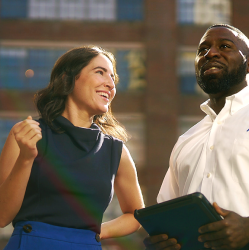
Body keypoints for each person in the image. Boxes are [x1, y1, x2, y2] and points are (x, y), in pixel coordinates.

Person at [143, 24, 249, 250]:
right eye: (202, 50)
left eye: (225, 46)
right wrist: (163, 239)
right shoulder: (187, 139)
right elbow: (168, 208)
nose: (211, 53)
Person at [0, 45, 144, 249]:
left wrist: (94, 231)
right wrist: (26, 158)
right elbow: (2, 216)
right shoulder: (27, 134)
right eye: (100, 72)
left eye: (113, 77)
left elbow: (136, 214)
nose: (110, 84)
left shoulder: (116, 151)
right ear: (68, 78)